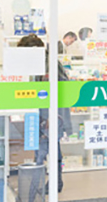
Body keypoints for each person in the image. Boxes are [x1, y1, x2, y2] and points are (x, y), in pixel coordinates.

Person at [18, 34, 71, 193]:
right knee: (49, 148)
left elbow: (58, 90)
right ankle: (53, 182)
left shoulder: (50, 64)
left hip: (51, 114)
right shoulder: (42, 63)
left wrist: (51, 117)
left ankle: (47, 183)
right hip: (45, 114)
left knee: (47, 149)